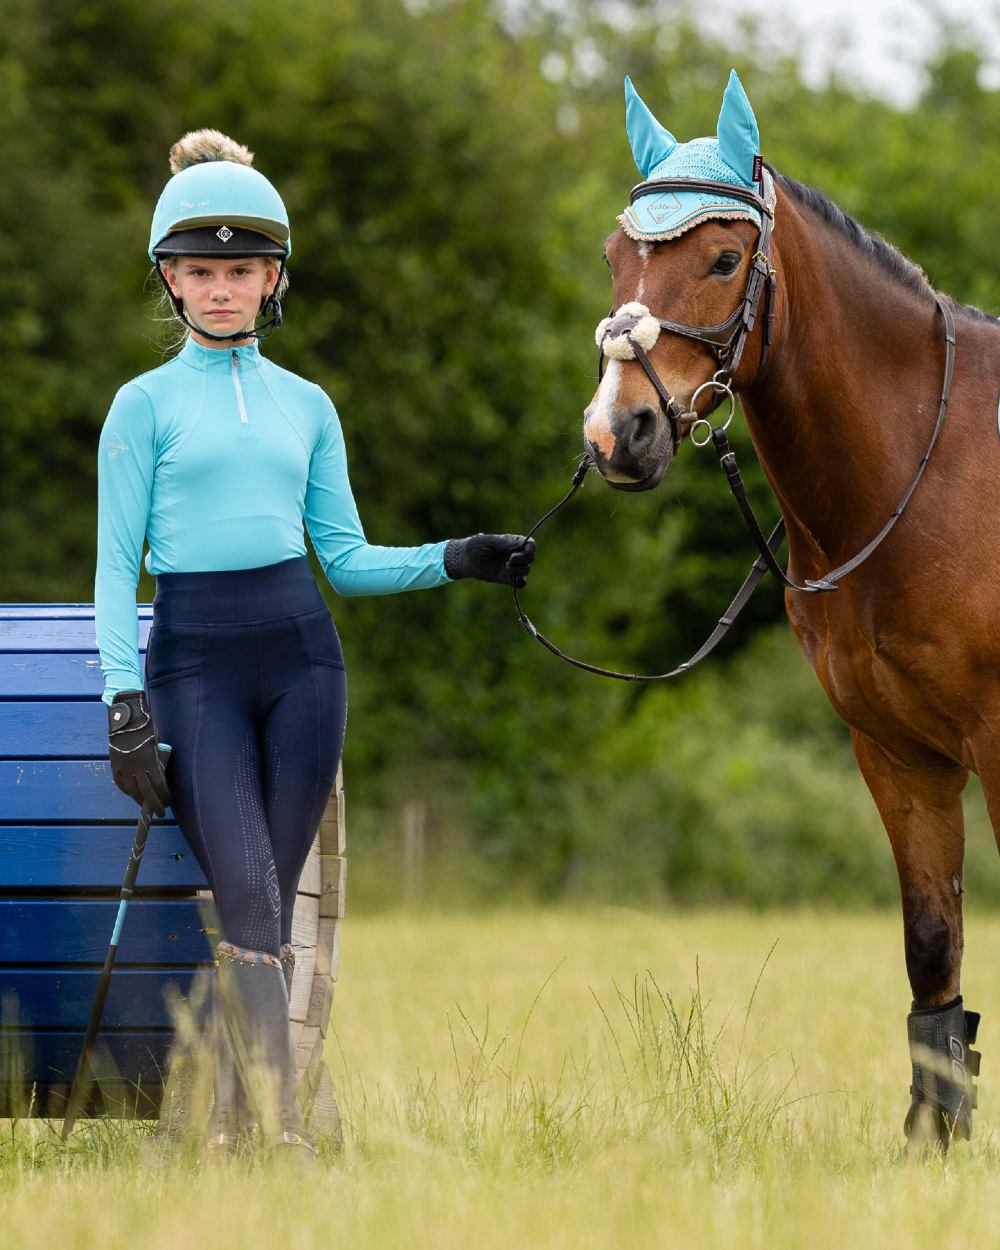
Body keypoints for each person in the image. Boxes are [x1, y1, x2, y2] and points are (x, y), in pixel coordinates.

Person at [94, 129, 536, 1167]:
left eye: (238, 271)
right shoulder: (141, 407)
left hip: (303, 660)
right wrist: (125, 700)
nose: (218, 289)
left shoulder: (308, 406)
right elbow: (118, 568)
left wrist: (457, 557)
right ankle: (275, 1128)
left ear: (271, 277)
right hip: (194, 664)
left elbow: (348, 557)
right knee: (247, 893)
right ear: (170, 278)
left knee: (269, 905)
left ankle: (227, 1123)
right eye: (199, 272)